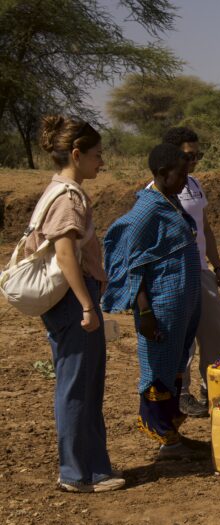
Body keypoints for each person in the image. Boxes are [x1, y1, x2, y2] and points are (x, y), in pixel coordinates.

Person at [25, 116, 123, 493]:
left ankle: (94, 469)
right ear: (77, 154)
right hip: (72, 302)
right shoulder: (67, 197)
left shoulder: (60, 190)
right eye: (97, 155)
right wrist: (86, 304)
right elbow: (66, 253)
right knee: (77, 387)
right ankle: (76, 473)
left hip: (71, 302)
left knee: (85, 385)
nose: (102, 162)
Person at [102, 143, 201, 455]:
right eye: (180, 174)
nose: (186, 180)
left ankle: (171, 431)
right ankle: (162, 436)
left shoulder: (169, 201)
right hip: (159, 307)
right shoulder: (146, 211)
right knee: (158, 365)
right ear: (161, 174)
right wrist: (143, 311)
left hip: (180, 304)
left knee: (174, 364)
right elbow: (130, 261)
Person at [146, 127, 220, 418]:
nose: (194, 161)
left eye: (198, 155)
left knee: (214, 331)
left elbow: (205, 227)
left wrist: (217, 265)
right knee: (182, 337)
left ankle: (215, 386)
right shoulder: (154, 193)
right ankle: (181, 394)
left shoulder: (193, 184)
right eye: (188, 155)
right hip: (172, 275)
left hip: (200, 270)